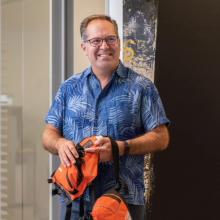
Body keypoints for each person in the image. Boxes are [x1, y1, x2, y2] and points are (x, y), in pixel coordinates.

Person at [42, 14, 170, 220]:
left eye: (111, 39)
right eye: (96, 41)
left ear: (119, 43)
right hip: (74, 198)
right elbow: (49, 134)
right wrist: (59, 144)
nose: (105, 46)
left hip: (123, 200)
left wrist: (121, 148)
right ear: (85, 47)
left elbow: (161, 137)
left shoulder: (142, 87)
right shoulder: (68, 88)